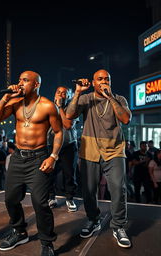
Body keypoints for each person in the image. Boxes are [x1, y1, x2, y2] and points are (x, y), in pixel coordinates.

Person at [0, 70, 63, 256]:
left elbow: (59, 132)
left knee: (40, 202)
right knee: (10, 199)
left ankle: (47, 243)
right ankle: (20, 232)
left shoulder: (47, 106)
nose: (20, 83)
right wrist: (6, 97)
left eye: (25, 80)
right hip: (18, 158)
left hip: (39, 158)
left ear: (36, 84)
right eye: (19, 79)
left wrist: (53, 156)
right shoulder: (14, 103)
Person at [66, 69, 132, 248]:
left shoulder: (119, 99)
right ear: (93, 82)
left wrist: (110, 97)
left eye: (107, 79)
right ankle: (93, 219)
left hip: (114, 150)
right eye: (100, 79)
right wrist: (78, 92)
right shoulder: (86, 98)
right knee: (88, 190)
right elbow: (69, 115)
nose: (104, 82)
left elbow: (126, 119)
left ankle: (118, 226)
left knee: (118, 188)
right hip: (90, 149)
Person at [47, 86, 78, 212]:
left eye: (64, 93)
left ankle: (69, 198)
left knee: (69, 174)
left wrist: (59, 107)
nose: (60, 95)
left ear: (69, 96)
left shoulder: (72, 107)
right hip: (51, 145)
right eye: (58, 92)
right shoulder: (48, 107)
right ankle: (51, 197)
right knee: (49, 173)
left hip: (68, 145)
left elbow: (68, 125)